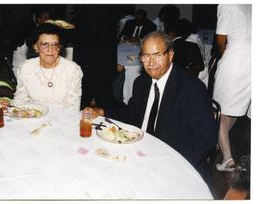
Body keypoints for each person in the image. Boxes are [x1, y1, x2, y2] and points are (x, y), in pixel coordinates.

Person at [86, 32, 217, 184]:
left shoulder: (191, 88)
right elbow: (131, 113)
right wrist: (102, 112)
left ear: (170, 55)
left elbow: (206, 139)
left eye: (157, 55)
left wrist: (176, 165)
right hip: (139, 154)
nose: (151, 62)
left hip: (174, 162)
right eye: (146, 55)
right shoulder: (142, 83)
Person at [214, 5, 251, 172]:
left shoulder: (227, 3)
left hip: (235, 60)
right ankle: (221, 140)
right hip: (251, 61)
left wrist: (223, 57)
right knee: (236, 107)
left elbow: (221, 40)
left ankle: (228, 158)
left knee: (220, 110)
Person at [13, 23, 83, 111]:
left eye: (55, 44)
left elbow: (73, 108)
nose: (50, 49)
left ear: (59, 47)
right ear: (36, 47)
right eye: (45, 44)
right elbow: (20, 100)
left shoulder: (72, 70)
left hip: (63, 120)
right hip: (33, 118)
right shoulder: (26, 68)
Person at [12, 7, 52, 79]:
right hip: (22, 72)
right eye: (45, 18)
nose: (48, 21)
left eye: (49, 18)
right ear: (39, 20)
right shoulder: (34, 34)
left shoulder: (46, 34)